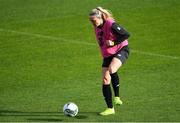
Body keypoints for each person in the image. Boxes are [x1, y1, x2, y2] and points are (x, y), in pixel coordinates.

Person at [89, 7, 130, 116]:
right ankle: (110, 108)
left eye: (94, 20)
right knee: (105, 80)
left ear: (100, 17)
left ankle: (117, 97)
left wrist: (113, 43)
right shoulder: (96, 27)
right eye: (90, 21)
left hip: (121, 49)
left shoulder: (111, 24)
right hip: (108, 55)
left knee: (112, 69)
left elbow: (126, 34)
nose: (92, 22)